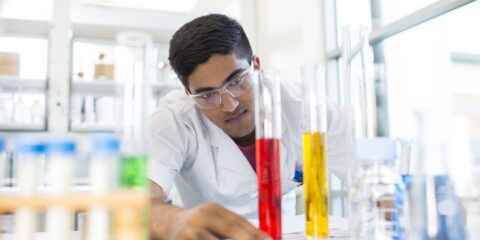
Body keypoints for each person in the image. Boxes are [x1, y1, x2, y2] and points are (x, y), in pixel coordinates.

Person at [148, 14, 347, 240]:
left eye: (236, 81)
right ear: (188, 94)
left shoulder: (309, 108)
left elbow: (366, 179)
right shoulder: (173, 119)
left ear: (256, 67)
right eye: (208, 95)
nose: (229, 105)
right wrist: (170, 220)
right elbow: (139, 202)